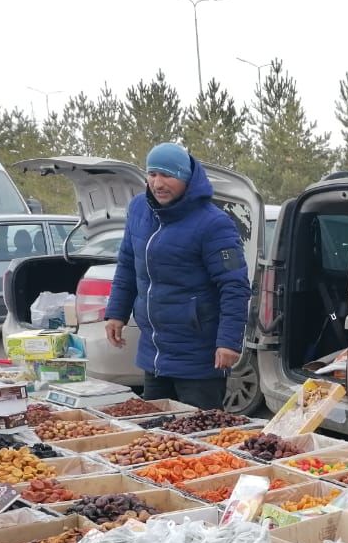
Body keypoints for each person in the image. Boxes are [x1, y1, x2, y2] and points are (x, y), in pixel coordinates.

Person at [104, 142, 250, 410]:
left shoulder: (214, 223)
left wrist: (229, 342)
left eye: (167, 175)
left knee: (199, 438)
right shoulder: (138, 209)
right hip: (155, 353)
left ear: (186, 178)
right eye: (152, 174)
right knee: (155, 437)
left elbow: (235, 286)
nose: (158, 183)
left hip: (199, 358)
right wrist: (117, 312)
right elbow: (127, 263)